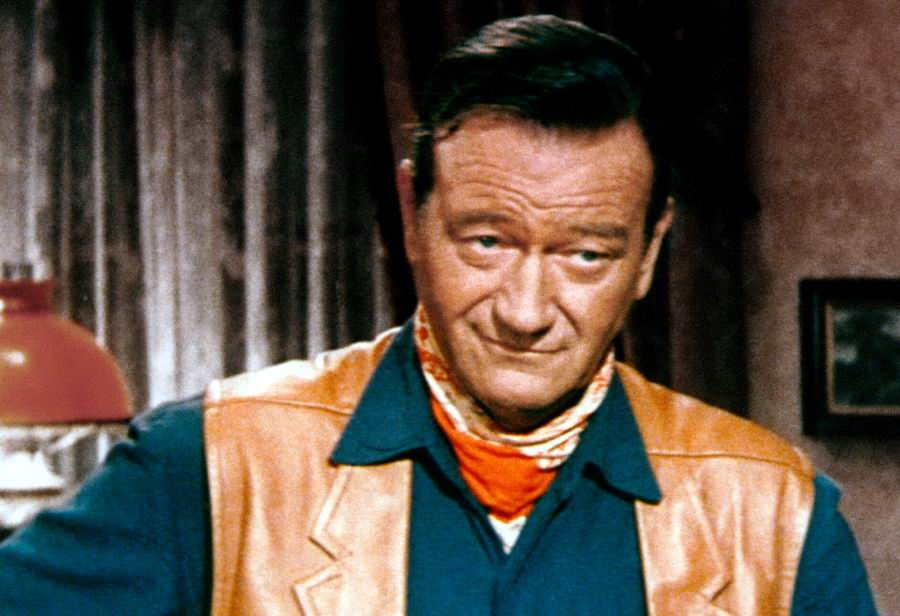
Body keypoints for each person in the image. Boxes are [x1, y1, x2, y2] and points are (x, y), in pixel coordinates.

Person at [0, 14, 879, 616]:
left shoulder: (777, 516)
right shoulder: (208, 466)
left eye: (586, 256)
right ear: (411, 216)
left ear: (649, 254)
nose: (526, 312)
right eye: (487, 242)